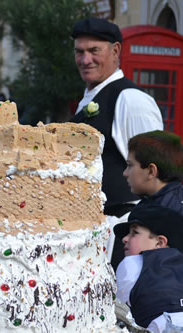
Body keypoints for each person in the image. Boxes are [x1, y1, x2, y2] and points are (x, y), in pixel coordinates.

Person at [70, 17, 163, 270]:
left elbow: (157, 173)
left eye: (93, 51)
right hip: (90, 231)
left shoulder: (132, 100)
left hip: (119, 232)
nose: (85, 60)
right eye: (79, 52)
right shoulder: (89, 97)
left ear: (115, 51)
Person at [114, 204, 183, 332]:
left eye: (134, 233)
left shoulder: (131, 264)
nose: (124, 239)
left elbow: (116, 316)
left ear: (160, 242)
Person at [123, 130, 183, 215]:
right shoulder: (153, 203)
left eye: (130, 165)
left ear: (151, 171)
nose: (125, 173)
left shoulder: (167, 214)